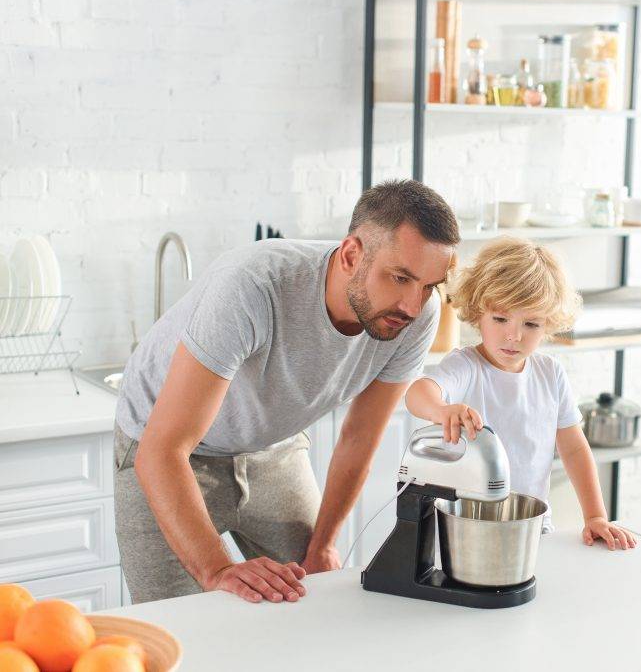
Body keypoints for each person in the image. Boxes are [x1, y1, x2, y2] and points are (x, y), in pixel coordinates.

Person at [114, 180, 459, 604]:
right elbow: (162, 449)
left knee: (316, 599)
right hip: (166, 450)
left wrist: (324, 545)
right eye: (400, 277)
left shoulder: (415, 317)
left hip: (273, 449)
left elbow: (359, 439)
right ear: (352, 254)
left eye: (428, 286)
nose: (411, 304)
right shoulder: (252, 286)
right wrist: (217, 568)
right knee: (177, 627)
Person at [405, 237, 637, 548]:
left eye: (531, 324)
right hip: (468, 530)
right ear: (478, 311)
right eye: (500, 318)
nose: (514, 336)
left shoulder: (550, 374)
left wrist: (595, 516)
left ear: (549, 324)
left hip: (533, 527)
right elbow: (418, 393)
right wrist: (442, 410)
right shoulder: (466, 366)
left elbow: (574, 449)